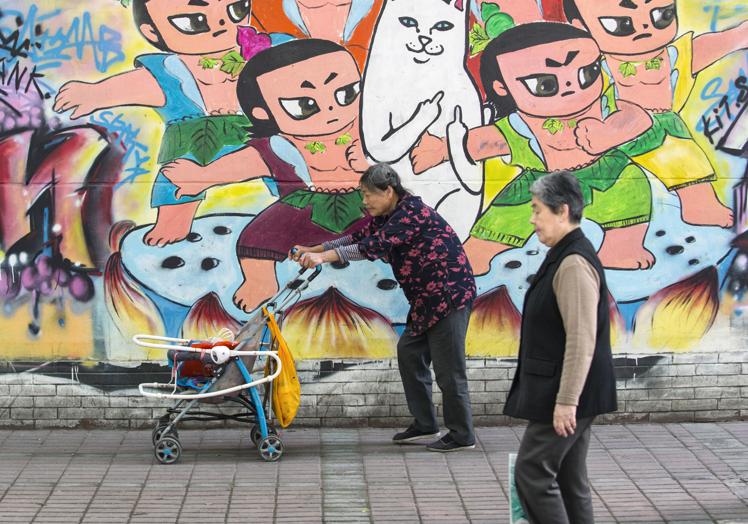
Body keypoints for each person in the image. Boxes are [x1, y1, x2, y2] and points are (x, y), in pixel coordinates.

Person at [292, 163, 477, 452]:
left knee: (448, 369)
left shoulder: (410, 214)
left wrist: (325, 257)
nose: (364, 202)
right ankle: (425, 423)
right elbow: (357, 238)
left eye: (368, 195)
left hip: (448, 297)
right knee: (409, 353)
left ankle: (462, 434)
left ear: (388, 191)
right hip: (425, 301)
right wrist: (316, 249)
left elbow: (372, 247)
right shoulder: (388, 215)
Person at [504, 171, 617, 523]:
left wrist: (567, 401)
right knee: (569, 479)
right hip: (569, 390)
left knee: (532, 473)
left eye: (538, 210)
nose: (533, 219)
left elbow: (581, 339)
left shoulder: (572, 263)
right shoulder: (564, 254)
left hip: (567, 393)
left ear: (562, 210)